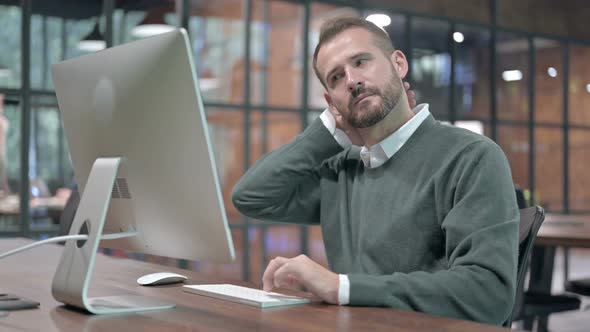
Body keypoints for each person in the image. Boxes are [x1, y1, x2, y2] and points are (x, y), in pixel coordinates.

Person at [231, 16, 518, 326]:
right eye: (336, 77)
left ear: (399, 63)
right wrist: (326, 134)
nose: (352, 80)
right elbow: (251, 196)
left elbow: (489, 294)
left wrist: (342, 287)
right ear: (331, 102)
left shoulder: (471, 157)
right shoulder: (342, 170)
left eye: (361, 61)